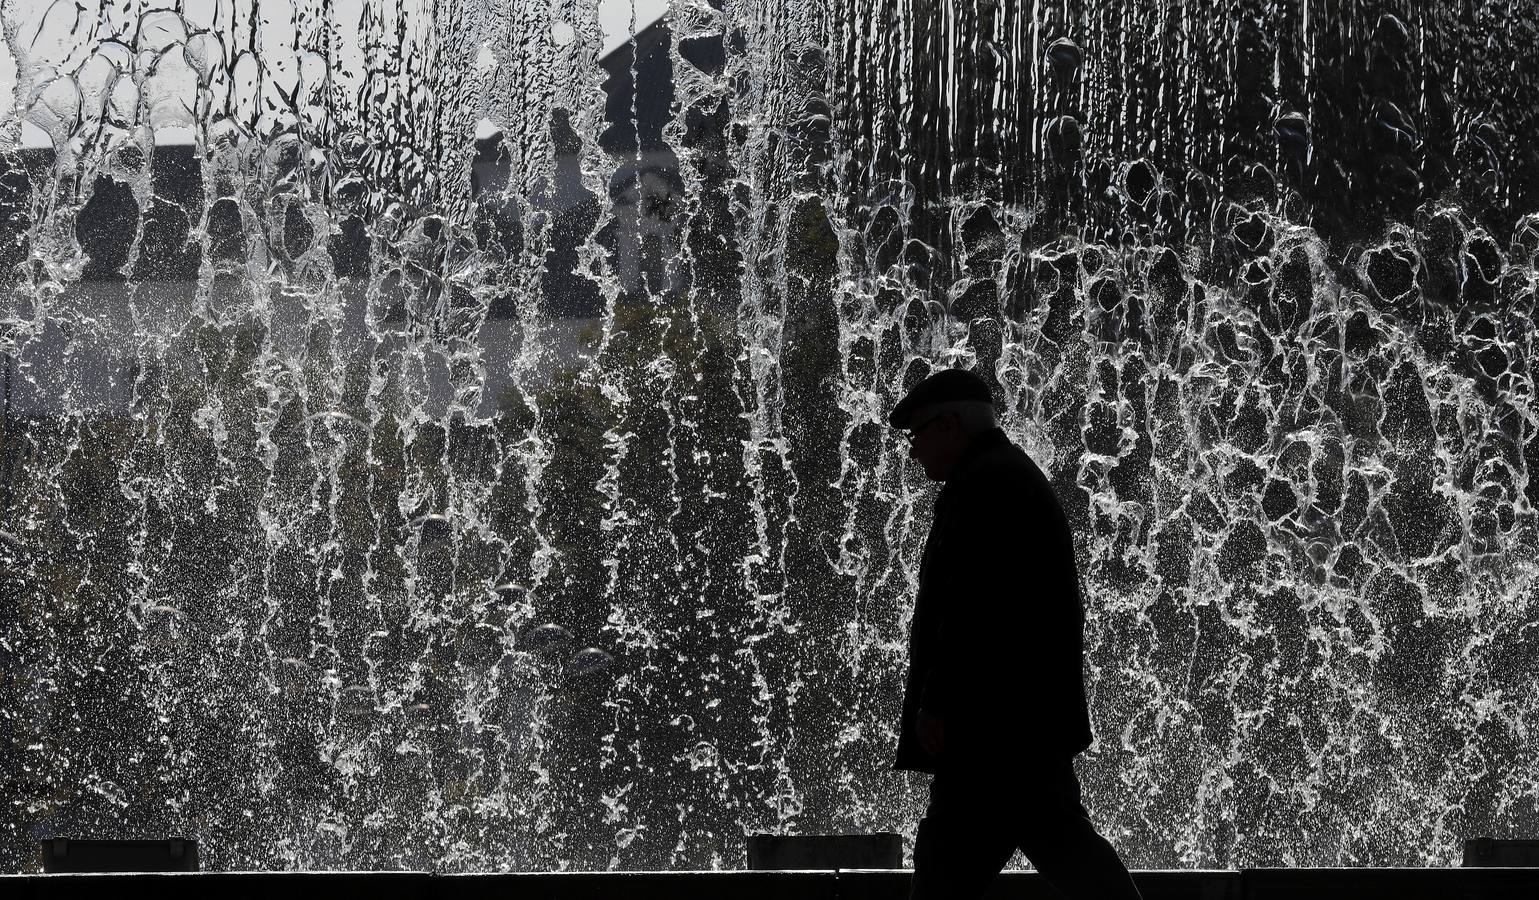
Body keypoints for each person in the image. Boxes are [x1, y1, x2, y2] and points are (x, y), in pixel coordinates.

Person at [890, 367, 1143, 900]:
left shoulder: (987, 485)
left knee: (942, 881)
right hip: (1019, 730)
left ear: (951, 426)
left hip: (991, 734)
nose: (913, 453)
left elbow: (974, 607)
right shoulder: (1001, 475)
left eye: (918, 436)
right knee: (1071, 857)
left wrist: (937, 699)